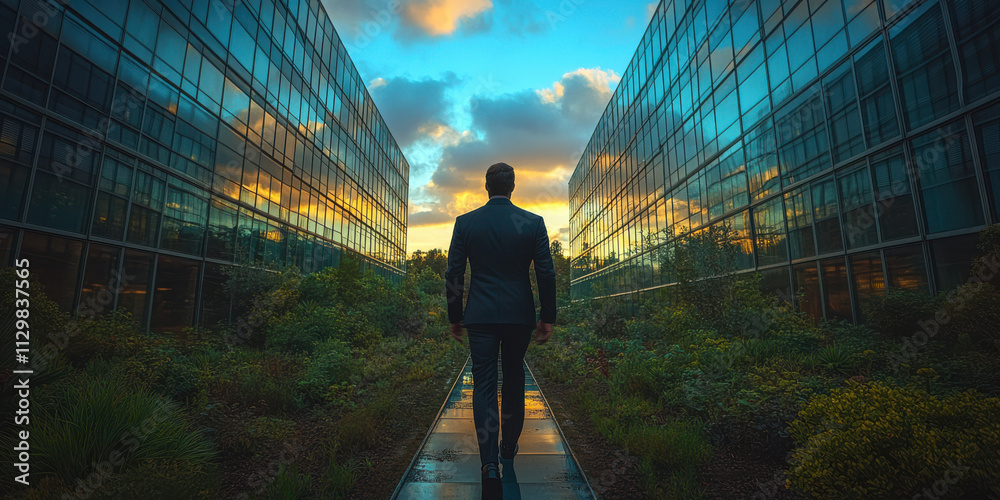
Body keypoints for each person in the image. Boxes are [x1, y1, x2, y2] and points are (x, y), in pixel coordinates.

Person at [445, 162, 556, 500]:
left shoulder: (466, 223)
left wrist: (455, 316)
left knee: (483, 383)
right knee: (513, 378)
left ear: (486, 186)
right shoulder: (533, 223)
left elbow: (454, 273)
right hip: (519, 315)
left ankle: (489, 465)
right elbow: (546, 273)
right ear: (512, 187)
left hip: (479, 316)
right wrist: (547, 316)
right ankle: (508, 447)